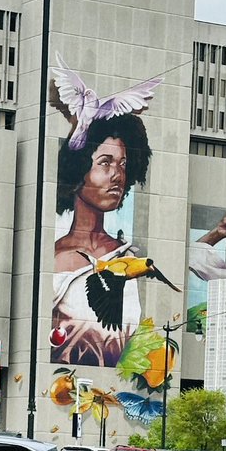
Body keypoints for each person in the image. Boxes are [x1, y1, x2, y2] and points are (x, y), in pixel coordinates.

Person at [52, 113, 153, 367]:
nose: (117, 175)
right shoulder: (52, 255)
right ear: (78, 170)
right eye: (105, 163)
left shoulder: (128, 258)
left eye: (122, 165)